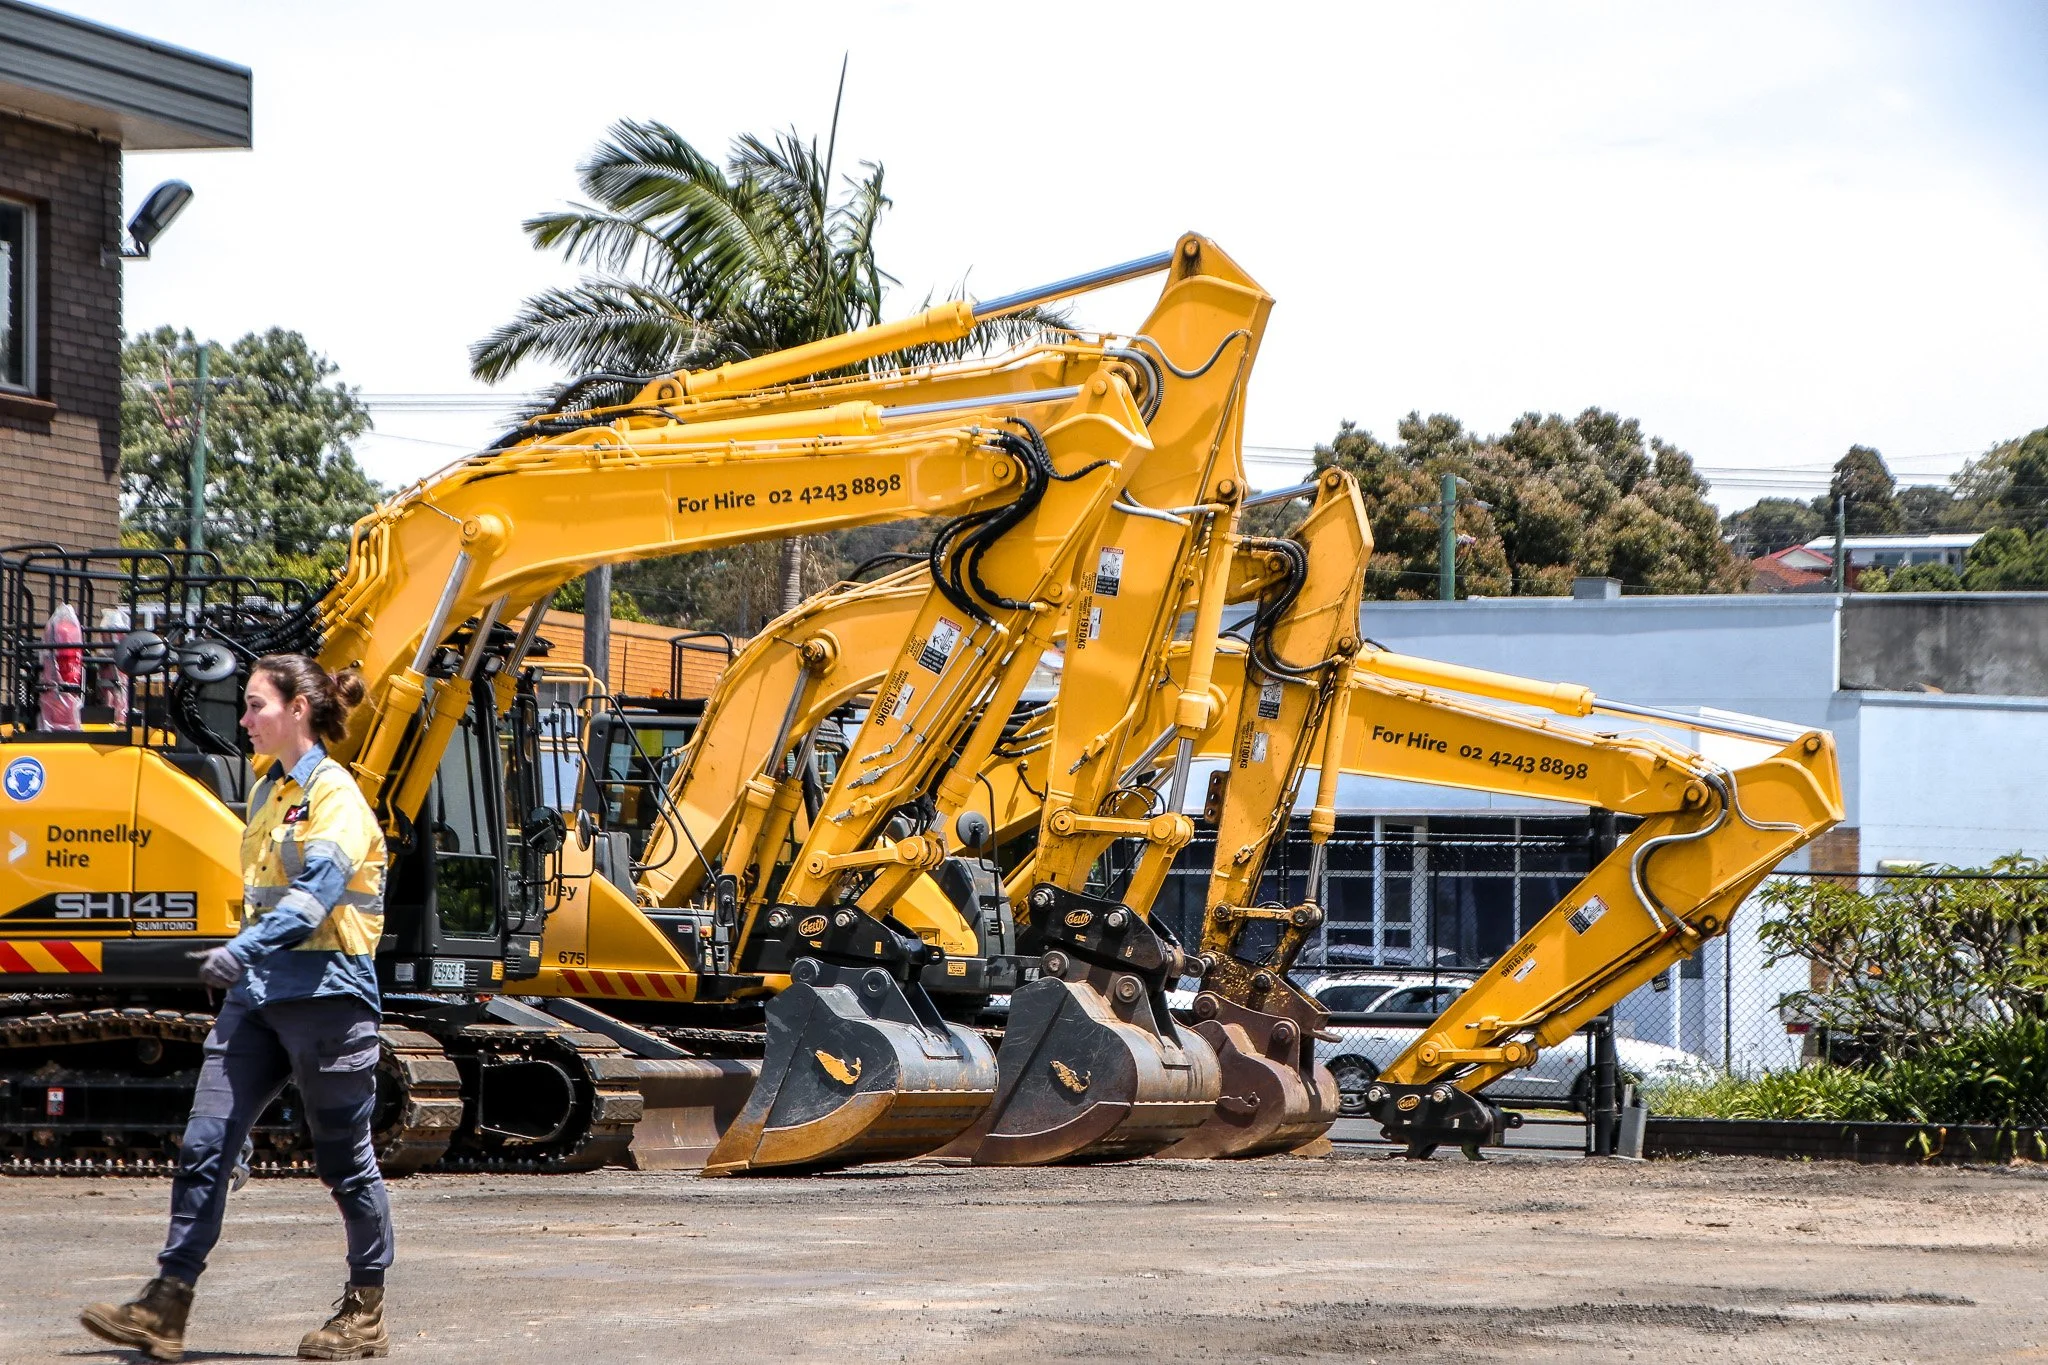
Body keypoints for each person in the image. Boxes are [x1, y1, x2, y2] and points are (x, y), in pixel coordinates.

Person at [81, 654, 394, 1361]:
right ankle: (167, 1301)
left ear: (299, 711)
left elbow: (315, 895)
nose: (245, 720)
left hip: (327, 995)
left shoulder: (335, 794)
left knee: (346, 1164)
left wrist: (244, 950)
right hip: (257, 999)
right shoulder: (267, 791)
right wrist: (245, 961)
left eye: (255, 706)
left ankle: (365, 1307)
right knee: (204, 1145)